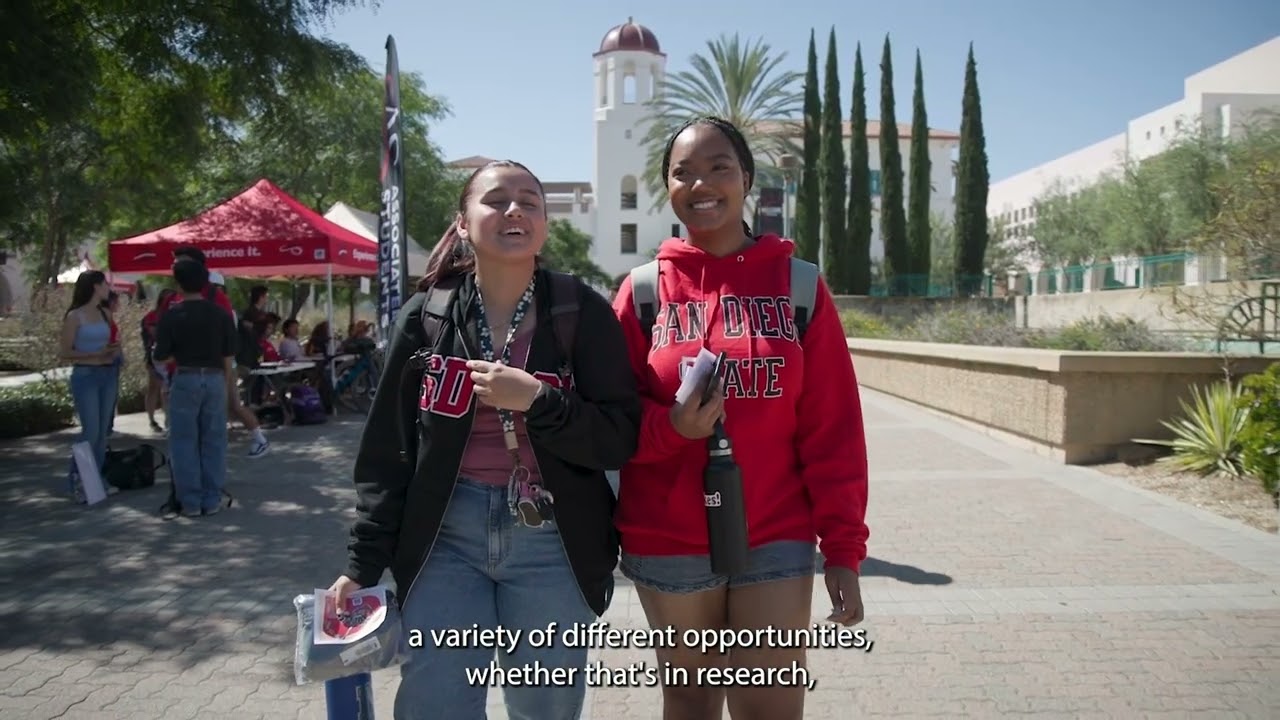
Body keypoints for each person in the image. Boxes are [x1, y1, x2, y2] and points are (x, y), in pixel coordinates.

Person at [329, 159, 640, 720]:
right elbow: (386, 453)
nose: (514, 209)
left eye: (529, 201)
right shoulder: (426, 318)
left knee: (545, 705)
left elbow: (618, 438)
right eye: (496, 200)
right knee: (435, 701)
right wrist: (362, 562)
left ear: (544, 223)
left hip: (553, 541)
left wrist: (540, 401)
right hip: (446, 540)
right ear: (464, 221)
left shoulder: (580, 312)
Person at [610, 116, 871, 720]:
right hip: (668, 535)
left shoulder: (799, 287)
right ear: (668, 188)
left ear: (747, 180)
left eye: (719, 167)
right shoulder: (644, 293)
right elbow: (614, 424)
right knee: (693, 700)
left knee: (771, 701)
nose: (702, 182)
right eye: (684, 172)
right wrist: (672, 430)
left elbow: (834, 431)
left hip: (775, 530)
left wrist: (843, 549)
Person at [152, 257, 237, 517]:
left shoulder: (171, 315)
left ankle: (189, 501)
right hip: (214, 378)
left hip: (185, 377)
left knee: (183, 441)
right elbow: (229, 354)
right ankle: (211, 499)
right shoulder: (220, 315)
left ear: (179, 283)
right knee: (214, 440)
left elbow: (160, 355)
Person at [59, 270, 120, 500]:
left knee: (103, 431)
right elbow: (65, 352)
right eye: (104, 283)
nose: (108, 288)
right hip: (86, 375)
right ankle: (78, 477)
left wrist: (114, 351)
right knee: (90, 430)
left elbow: (112, 340)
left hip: (108, 373)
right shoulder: (75, 316)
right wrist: (94, 355)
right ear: (95, 286)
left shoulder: (105, 313)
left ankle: (96, 478)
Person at [142, 288, 178, 433]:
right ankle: (152, 419)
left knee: (167, 389)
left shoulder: (175, 315)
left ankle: (168, 420)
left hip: (172, 358)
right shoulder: (152, 316)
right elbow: (154, 335)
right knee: (154, 388)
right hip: (155, 356)